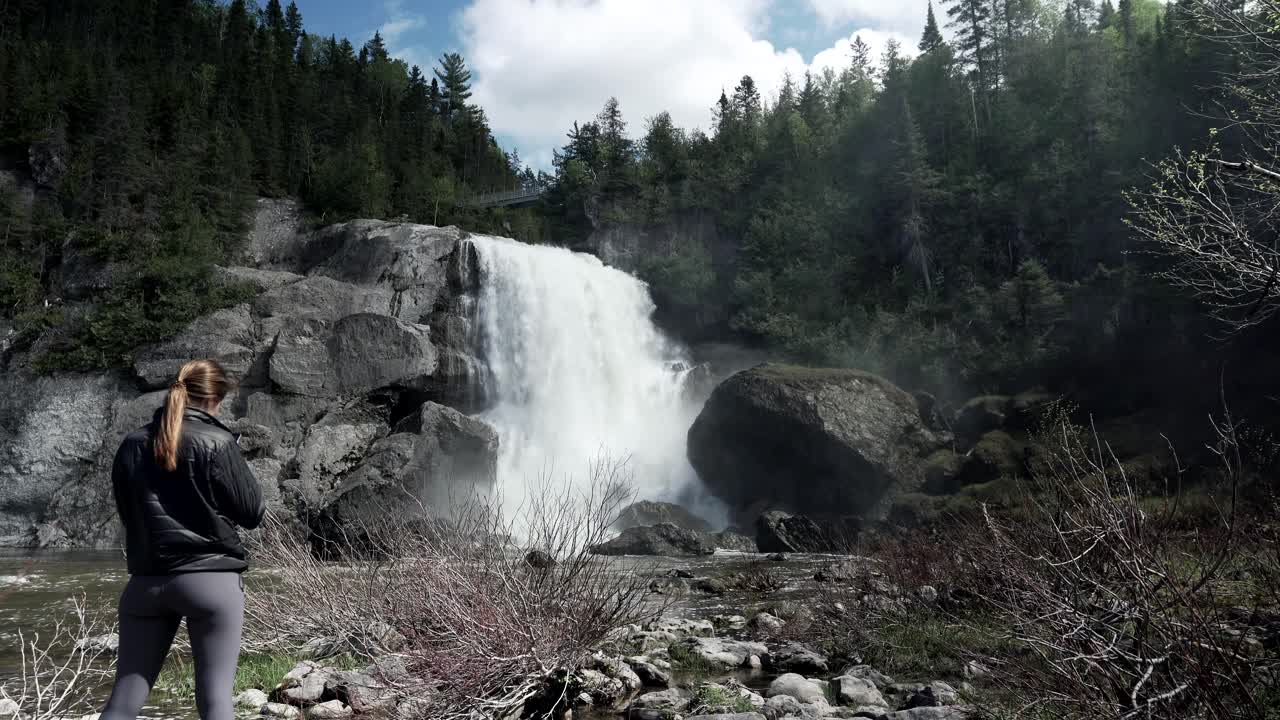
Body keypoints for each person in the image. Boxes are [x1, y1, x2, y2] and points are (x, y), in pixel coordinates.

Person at [101, 359, 265, 720]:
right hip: (211, 582)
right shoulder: (219, 442)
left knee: (123, 703)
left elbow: (129, 515)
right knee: (215, 701)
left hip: (146, 583)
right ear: (216, 399)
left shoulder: (131, 444)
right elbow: (252, 513)